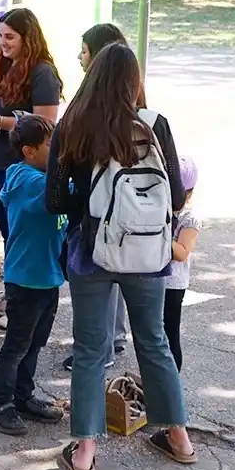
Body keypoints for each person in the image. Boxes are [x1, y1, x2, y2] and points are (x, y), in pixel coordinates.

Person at [45, 43, 193, 470]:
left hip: (91, 251)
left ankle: (86, 453)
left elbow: (53, 199)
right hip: (147, 254)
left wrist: (91, 206)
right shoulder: (153, 124)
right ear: (134, 82)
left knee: (91, 349)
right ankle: (180, 439)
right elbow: (178, 196)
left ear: (93, 75)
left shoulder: (73, 124)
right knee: (154, 341)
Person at [60, 22, 138, 369]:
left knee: (91, 345)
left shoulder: (85, 116)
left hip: (97, 219)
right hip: (133, 220)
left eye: (85, 51)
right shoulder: (143, 111)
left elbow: (57, 191)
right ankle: (114, 339)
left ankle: (101, 347)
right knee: (154, 342)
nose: (80, 57)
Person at [0, 115, 66, 436]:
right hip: (25, 280)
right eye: (52, 146)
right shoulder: (25, 179)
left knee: (34, 344)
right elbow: (62, 193)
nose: (58, 152)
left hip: (48, 278)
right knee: (17, 345)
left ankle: (22, 395)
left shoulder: (41, 175)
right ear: (29, 151)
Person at [0, 8, 61, 245]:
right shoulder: (2, 66)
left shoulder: (42, 73)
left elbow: (46, 123)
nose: (3, 42)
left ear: (27, 39)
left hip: (24, 167)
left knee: (24, 237)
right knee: (8, 235)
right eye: (0, 36)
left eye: (10, 37)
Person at [166, 156, 200, 372]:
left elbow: (182, 252)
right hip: (152, 278)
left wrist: (155, 236)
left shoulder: (189, 219)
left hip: (172, 284)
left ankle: (171, 381)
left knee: (169, 333)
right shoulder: (159, 208)